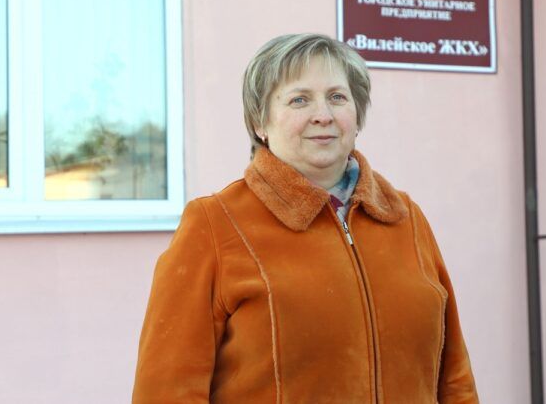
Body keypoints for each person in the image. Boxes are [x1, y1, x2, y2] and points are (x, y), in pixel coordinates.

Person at [132, 33, 479, 403]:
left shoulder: (405, 217)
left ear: (357, 115)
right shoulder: (214, 224)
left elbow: (454, 378)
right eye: (299, 99)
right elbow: (165, 392)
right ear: (260, 123)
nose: (323, 115)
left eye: (337, 97)